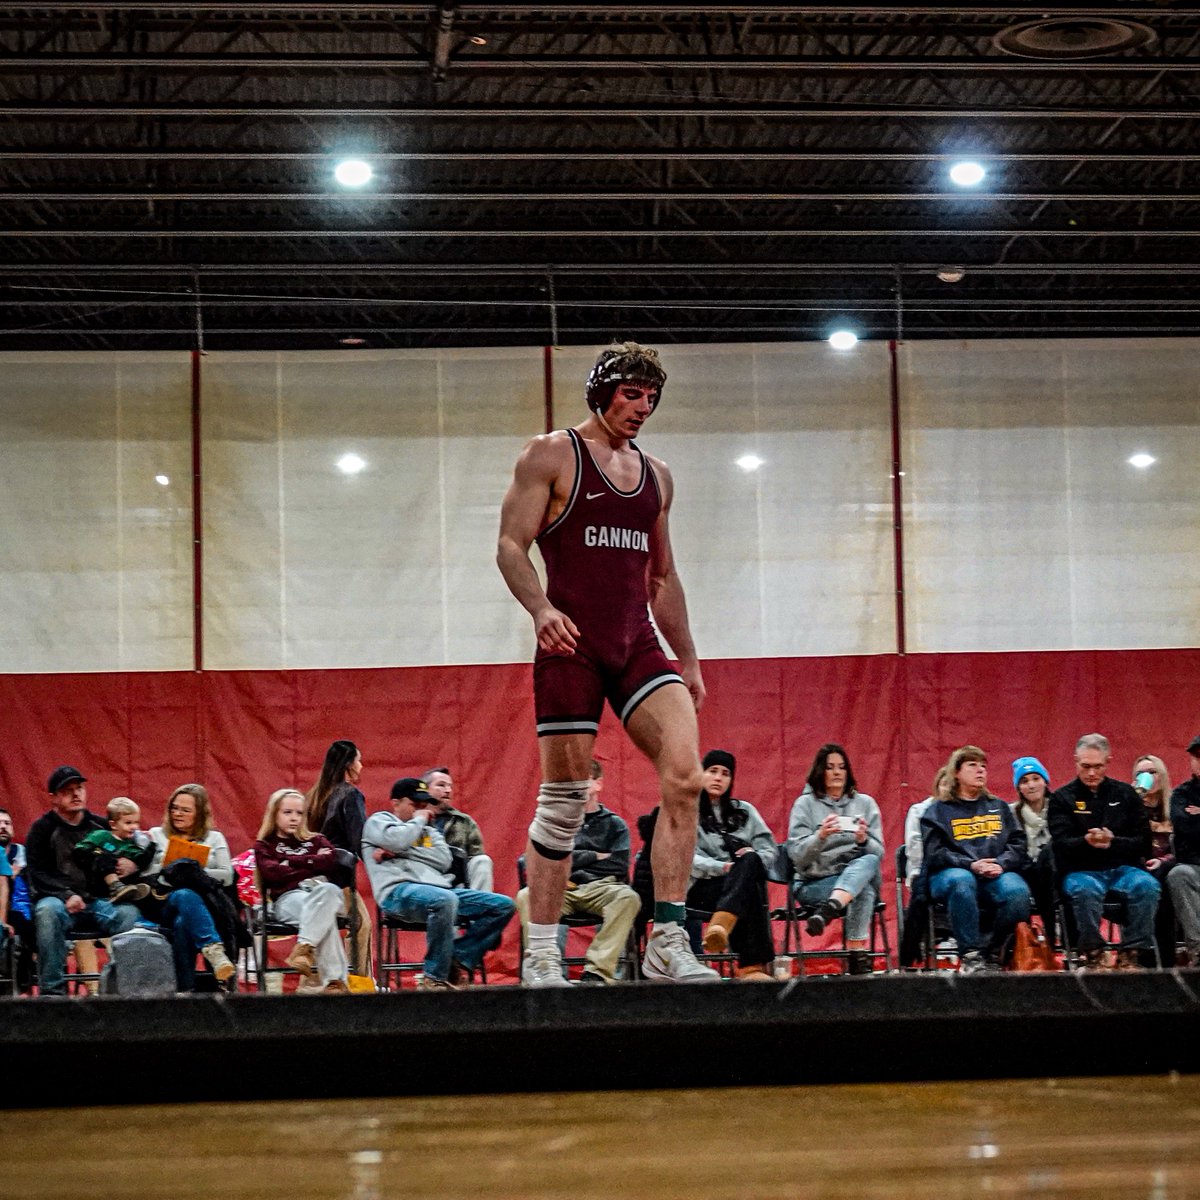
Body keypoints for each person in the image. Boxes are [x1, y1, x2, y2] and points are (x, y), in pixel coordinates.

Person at [497, 341, 717, 986]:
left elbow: (663, 576)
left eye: (651, 398)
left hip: (636, 645)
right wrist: (539, 608)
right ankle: (541, 948)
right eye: (631, 394)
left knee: (684, 779)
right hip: (572, 646)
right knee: (565, 800)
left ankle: (668, 940)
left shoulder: (658, 475)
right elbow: (511, 546)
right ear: (601, 392)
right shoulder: (550, 455)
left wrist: (690, 660)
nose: (641, 408)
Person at [362, 777, 515, 990]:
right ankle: (433, 976)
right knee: (445, 900)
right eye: (415, 804)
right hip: (398, 892)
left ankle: (456, 957)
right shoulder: (379, 822)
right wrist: (413, 828)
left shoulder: (429, 831)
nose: (422, 810)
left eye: (424, 804)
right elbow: (398, 839)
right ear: (396, 803)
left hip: (442, 891)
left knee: (503, 905)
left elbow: (444, 860)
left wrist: (399, 850)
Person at [517, 759, 640, 985]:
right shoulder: (555, 819)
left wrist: (566, 858)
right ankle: (543, 966)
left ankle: (597, 971)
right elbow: (529, 863)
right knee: (526, 896)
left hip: (600, 887)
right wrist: (594, 855)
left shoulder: (615, 825)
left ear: (598, 784)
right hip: (559, 889)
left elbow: (619, 865)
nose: (578, 785)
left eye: (585, 779)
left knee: (628, 898)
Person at [1048, 733, 1160, 971]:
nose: (1091, 773)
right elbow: (1060, 844)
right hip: (1081, 869)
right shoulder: (1061, 798)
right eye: (1085, 766)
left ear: (1108, 762)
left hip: (1122, 867)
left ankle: (1131, 953)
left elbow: (1143, 842)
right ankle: (1093, 953)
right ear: (1075, 761)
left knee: (1147, 886)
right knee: (1084, 890)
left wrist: (1113, 842)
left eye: (1097, 767)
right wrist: (1086, 841)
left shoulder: (1126, 795)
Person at [27, 766, 140, 996]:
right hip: (59, 902)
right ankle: (53, 993)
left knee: (131, 916)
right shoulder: (41, 830)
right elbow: (38, 874)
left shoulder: (101, 826)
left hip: (99, 902)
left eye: (79, 788)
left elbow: (131, 854)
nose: (76, 794)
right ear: (53, 798)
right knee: (47, 912)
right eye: (68, 790)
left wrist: (132, 866)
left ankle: (121, 990)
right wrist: (66, 895)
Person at [921, 745, 1032, 974]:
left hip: (994, 872)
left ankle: (993, 952)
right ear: (956, 773)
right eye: (972, 765)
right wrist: (970, 865)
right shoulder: (938, 812)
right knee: (962, 882)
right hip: (951, 873)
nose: (980, 770)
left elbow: (1018, 844)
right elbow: (935, 853)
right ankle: (971, 955)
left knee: (1018, 892)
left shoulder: (998, 807)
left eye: (983, 766)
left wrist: (1000, 863)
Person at [786, 743, 884, 975]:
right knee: (864, 889)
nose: (837, 772)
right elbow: (797, 857)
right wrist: (819, 836)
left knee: (869, 860)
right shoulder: (805, 805)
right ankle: (857, 955)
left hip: (852, 875)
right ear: (820, 772)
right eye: (830, 767)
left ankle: (829, 909)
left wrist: (862, 840)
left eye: (842, 767)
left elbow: (879, 853)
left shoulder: (865, 804)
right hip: (814, 882)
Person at [687, 749, 777, 981]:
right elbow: (688, 860)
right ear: (701, 774)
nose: (718, 778)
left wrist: (750, 862)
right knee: (748, 887)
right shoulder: (688, 811)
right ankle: (752, 968)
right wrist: (724, 868)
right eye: (713, 771)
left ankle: (721, 925)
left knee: (750, 861)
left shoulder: (745, 811)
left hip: (737, 886)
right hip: (703, 888)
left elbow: (769, 851)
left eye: (725, 773)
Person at [254, 788, 350, 993]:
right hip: (288, 900)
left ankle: (304, 948)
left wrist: (290, 862)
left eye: (299, 813)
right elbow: (273, 874)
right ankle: (334, 982)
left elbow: (330, 862)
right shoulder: (265, 845)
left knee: (329, 891)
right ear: (274, 814)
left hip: (321, 893)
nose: (294, 818)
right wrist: (311, 864)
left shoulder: (316, 840)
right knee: (325, 918)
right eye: (287, 812)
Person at [146, 783, 238, 990]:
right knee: (184, 895)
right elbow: (146, 873)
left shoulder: (215, 838)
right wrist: (173, 869)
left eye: (185, 810)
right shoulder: (155, 835)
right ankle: (213, 949)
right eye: (174, 808)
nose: (177, 814)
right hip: (164, 904)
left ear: (199, 814)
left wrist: (191, 873)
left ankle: (184, 990)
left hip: (207, 907)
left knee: (183, 923)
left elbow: (227, 875)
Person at [306, 739, 371, 974]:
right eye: (359, 760)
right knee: (362, 925)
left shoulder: (314, 795)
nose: (361, 766)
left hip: (311, 880)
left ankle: (320, 980)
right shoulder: (350, 795)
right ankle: (360, 983)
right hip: (338, 879)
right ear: (348, 764)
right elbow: (359, 839)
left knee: (325, 927)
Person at [1132, 752, 1177, 967]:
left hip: (1169, 866)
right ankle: (1145, 956)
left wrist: (1165, 861)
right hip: (1139, 867)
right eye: (1141, 774)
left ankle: (1166, 960)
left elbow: (1185, 846)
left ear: (1162, 776)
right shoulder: (1129, 806)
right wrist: (1133, 801)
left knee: (1166, 877)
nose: (1147, 777)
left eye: (1152, 772)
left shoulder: (1175, 806)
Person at [898, 767, 946, 969]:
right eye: (945, 784)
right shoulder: (920, 811)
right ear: (936, 786)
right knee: (922, 893)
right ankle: (912, 951)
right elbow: (914, 848)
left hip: (959, 869)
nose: (948, 789)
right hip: (924, 869)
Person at [1010, 756, 1058, 946]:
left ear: (1045, 781)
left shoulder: (1061, 808)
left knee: (1052, 850)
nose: (1031, 785)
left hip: (1058, 874)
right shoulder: (1010, 813)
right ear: (1018, 788)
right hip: (1027, 875)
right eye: (1024, 781)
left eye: (1036, 779)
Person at [71, 796, 154, 906]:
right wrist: (99, 853)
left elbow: (142, 861)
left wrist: (151, 845)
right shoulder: (101, 836)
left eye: (136, 822)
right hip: (99, 880)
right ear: (113, 824)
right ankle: (116, 887)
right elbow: (80, 850)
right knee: (105, 856)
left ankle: (132, 893)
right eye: (128, 823)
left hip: (125, 878)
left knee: (140, 869)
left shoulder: (132, 844)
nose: (134, 827)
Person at [422, 767, 494, 892]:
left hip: (457, 881)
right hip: (424, 877)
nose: (448, 790)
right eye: (441, 785)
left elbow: (475, 855)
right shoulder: (413, 821)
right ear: (426, 790)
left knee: (482, 861)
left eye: (450, 786)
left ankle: (479, 906)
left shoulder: (464, 822)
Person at [1167, 734, 1200, 965]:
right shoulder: (1181, 794)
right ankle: (1198, 950)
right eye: (1197, 757)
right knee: (1179, 875)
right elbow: (1185, 827)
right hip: (1194, 865)